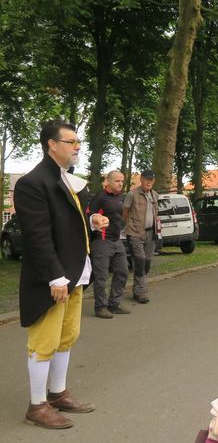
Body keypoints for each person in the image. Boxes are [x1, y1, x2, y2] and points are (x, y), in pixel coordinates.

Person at [13, 120, 109, 429]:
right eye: (71, 142)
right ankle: (37, 405)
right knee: (44, 341)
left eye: (78, 141)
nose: (77, 146)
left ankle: (57, 393)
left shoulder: (67, 180)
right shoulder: (33, 183)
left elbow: (69, 223)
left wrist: (91, 221)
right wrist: (55, 277)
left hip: (75, 273)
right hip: (53, 278)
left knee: (66, 338)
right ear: (52, 145)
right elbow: (37, 237)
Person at [89, 170, 131, 319]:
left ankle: (114, 304)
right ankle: (100, 307)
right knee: (101, 276)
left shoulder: (121, 197)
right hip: (101, 241)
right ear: (109, 181)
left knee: (123, 272)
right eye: (117, 181)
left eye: (122, 181)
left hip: (117, 240)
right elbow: (89, 215)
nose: (120, 183)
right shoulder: (100, 197)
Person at [123, 169, 159, 304]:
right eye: (146, 179)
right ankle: (141, 292)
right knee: (140, 261)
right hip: (135, 233)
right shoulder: (132, 194)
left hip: (151, 233)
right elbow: (125, 211)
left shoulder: (155, 195)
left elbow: (156, 213)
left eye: (151, 180)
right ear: (141, 179)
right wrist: (130, 226)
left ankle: (137, 288)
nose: (149, 182)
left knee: (147, 263)